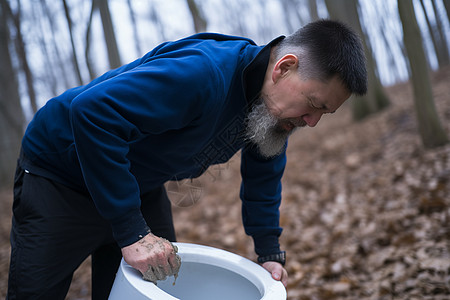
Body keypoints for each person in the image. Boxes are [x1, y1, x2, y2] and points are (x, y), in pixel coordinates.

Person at [7, 19, 367, 299]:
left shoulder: (272, 110)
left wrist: (269, 251)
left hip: (134, 179)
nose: (312, 121)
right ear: (284, 67)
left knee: (158, 289)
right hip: (60, 176)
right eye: (315, 104)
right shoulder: (203, 73)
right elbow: (91, 112)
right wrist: (132, 230)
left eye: (325, 113)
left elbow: (264, 174)